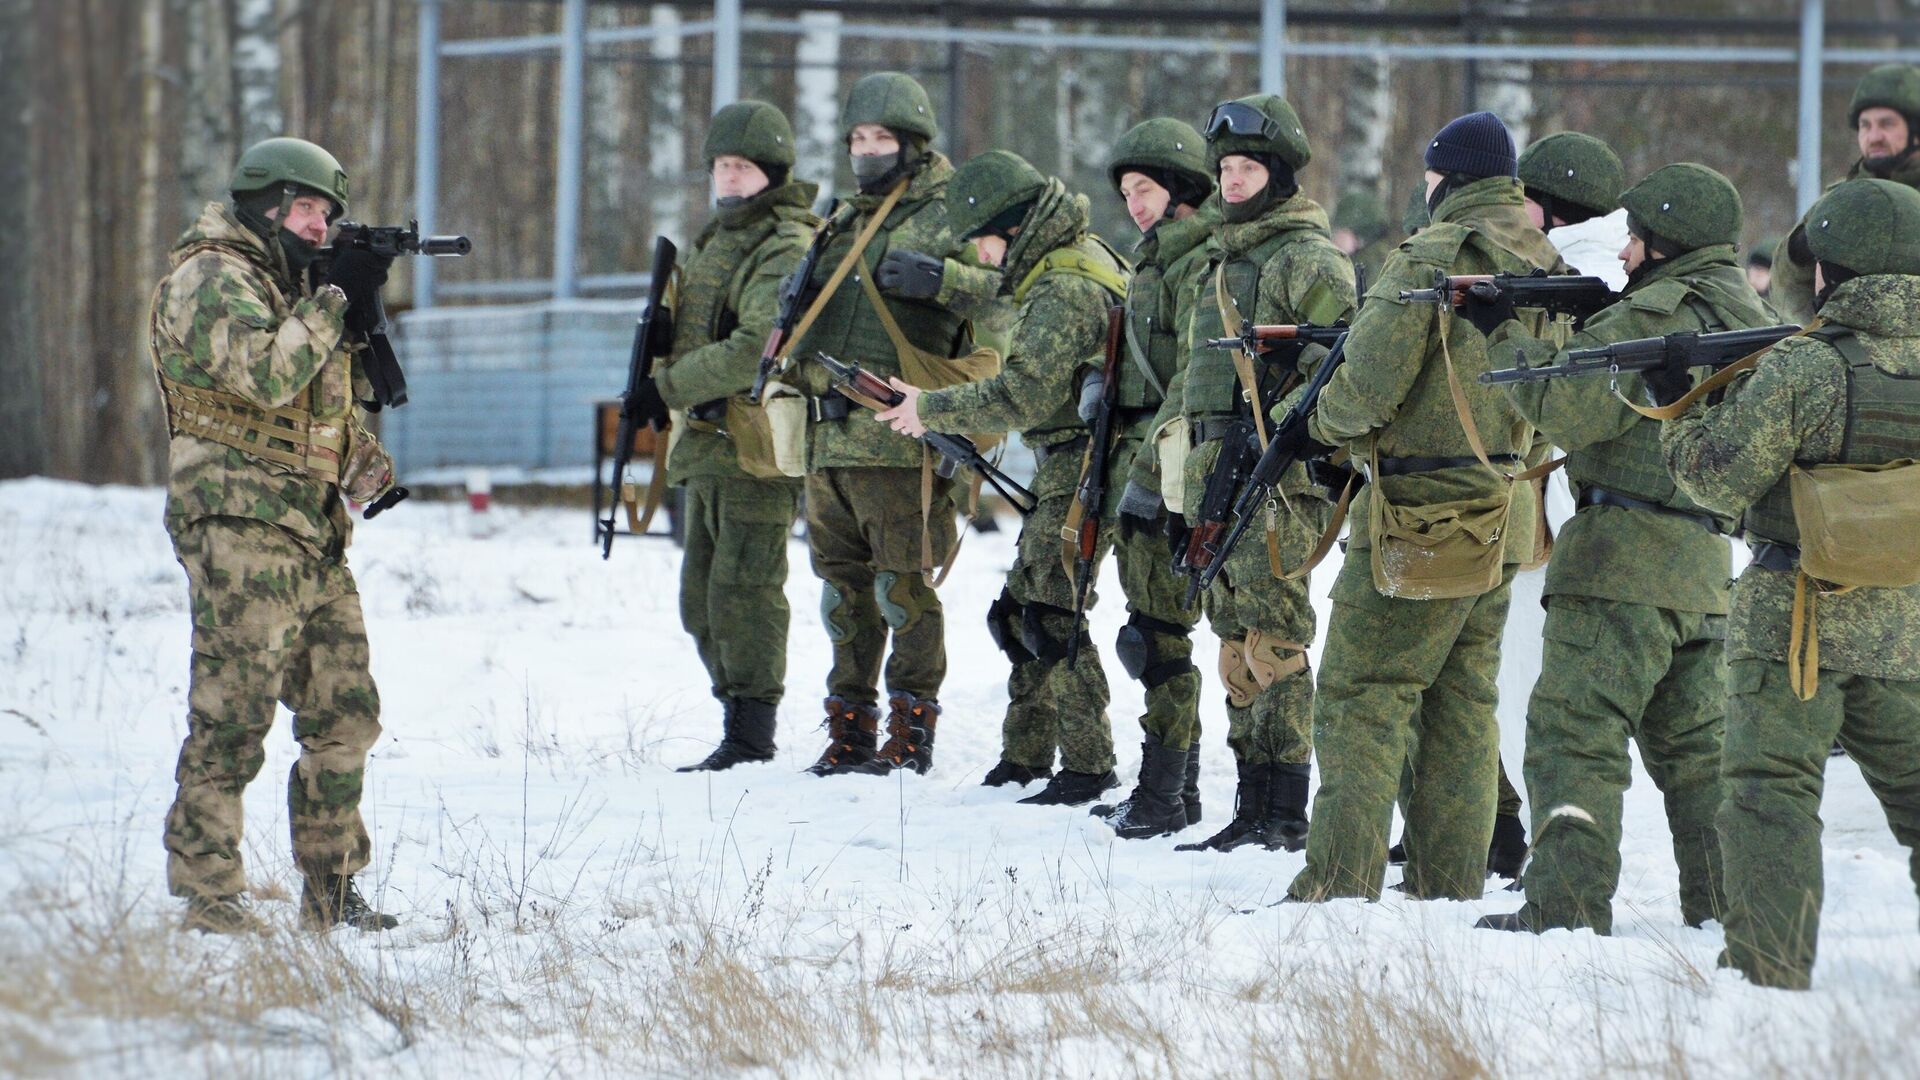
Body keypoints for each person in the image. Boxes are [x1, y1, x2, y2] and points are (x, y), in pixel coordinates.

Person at [1476, 163, 1777, 935]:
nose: (1628, 253)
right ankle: (1723, 907)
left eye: (1638, 239)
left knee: (1574, 736)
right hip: (1705, 565)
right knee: (1697, 755)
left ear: (1666, 238)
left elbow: (1567, 407)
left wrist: (1501, 328)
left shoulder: (1656, 312)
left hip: (1619, 560)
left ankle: (1565, 907)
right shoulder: (1745, 305)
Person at [1286, 112, 1559, 901]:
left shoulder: (1433, 255)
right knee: (1462, 705)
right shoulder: (1541, 256)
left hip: (1417, 520)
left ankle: (1336, 886)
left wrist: (1322, 425)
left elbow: (1364, 389)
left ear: (1447, 178)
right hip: (1503, 509)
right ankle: (1448, 884)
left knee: (1362, 698)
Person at [1663, 178, 1920, 990]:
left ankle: (1767, 969)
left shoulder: (1805, 366)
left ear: (1830, 272)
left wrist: (1682, 410)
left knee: (1771, 793)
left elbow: (1719, 475)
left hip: (1795, 622)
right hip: (1907, 622)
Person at [150, 137, 400, 933]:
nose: (319, 226)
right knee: (233, 715)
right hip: (237, 521)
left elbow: (311, 409)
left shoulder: (294, 286)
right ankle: (210, 895)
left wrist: (360, 458)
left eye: (329, 213)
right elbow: (262, 375)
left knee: (345, 711)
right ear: (263, 205)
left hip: (307, 526)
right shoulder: (212, 275)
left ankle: (331, 890)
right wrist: (333, 303)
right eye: (304, 209)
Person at [875, 150, 1130, 805]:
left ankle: (1088, 765)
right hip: (1072, 459)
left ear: (1012, 227)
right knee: (1019, 612)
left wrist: (929, 406)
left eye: (985, 242)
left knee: (1050, 612)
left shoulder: (1064, 286)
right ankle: (1024, 756)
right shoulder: (1072, 258)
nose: (982, 258)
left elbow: (1024, 394)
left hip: (1086, 463)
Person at [785, 72, 1006, 777]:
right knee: (841, 597)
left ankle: (912, 731)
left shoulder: (951, 213)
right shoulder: (841, 219)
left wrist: (944, 282)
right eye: (857, 139)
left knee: (901, 590)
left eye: (882, 138)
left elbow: (1004, 301)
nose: (868, 151)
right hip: (830, 440)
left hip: (900, 437)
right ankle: (849, 729)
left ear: (912, 143)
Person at [1169, 94, 1357, 853]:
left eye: (1247, 168)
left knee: (1275, 643)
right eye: (1225, 169)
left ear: (1276, 175)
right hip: (1212, 469)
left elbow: (1338, 365)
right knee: (1232, 639)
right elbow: (1191, 381)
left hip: (1276, 476)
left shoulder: (1306, 257)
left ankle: (1284, 809)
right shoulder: (1221, 259)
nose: (1233, 181)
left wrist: (1284, 429)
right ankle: (1250, 803)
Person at [656, 102, 820, 772]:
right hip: (706, 444)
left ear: (772, 175)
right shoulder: (715, 238)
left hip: (755, 446)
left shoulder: (781, 243)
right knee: (701, 598)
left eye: (743, 167)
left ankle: (752, 735)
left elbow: (758, 345)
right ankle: (735, 716)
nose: (729, 177)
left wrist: (666, 385)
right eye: (722, 165)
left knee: (745, 590)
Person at [1081, 118, 1219, 835]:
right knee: (1150, 631)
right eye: (1127, 191)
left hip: (1170, 468)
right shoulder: (1154, 260)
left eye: (1146, 188)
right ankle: (1175, 790)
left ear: (1182, 188)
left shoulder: (1199, 263)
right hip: (1141, 456)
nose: (1133, 203)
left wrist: (1142, 470)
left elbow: (1195, 375)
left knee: (1160, 637)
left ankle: (1164, 796)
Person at [1771, 64, 1920, 321]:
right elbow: (1787, 287)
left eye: (1887, 124)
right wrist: (1801, 247)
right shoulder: (1840, 200)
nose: (1874, 137)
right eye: (1865, 125)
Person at [1517, 131, 1629, 288]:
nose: (1516, 211)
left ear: (1560, 210)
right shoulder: (1623, 267)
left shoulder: (1578, 282)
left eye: (1525, 202)